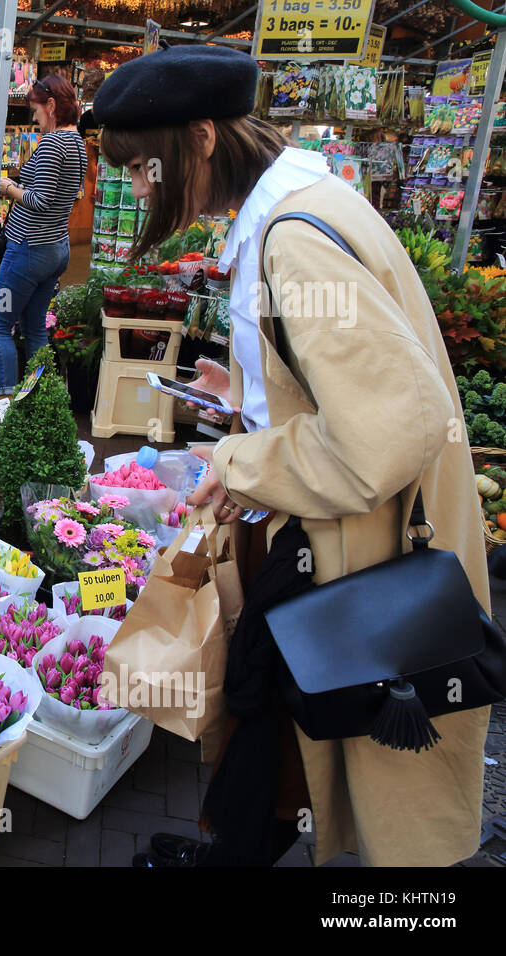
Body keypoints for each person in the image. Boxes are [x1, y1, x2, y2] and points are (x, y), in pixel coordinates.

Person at [94, 45, 489, 868]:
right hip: (343, 529)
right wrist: (249, 390)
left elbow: (382, 434)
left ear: (201, 138)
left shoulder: (292, 241)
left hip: (363, 539)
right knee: (269, 704)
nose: (141, 192)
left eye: (145, 171)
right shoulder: (302, 200)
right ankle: (232, 846)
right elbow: (342, 379)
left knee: (265, 689)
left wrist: (241, 458)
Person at [0, 74, 86, 414]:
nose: (34, 117)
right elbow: (65, 197)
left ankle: (4, 404)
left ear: (52, 105)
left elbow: (40, 200)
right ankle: (36, 401)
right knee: (34, 327)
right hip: (56, 247)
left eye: (37, 109)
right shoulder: (79, 145)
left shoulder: (52, 144)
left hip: (28, 249)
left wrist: (7, 187)